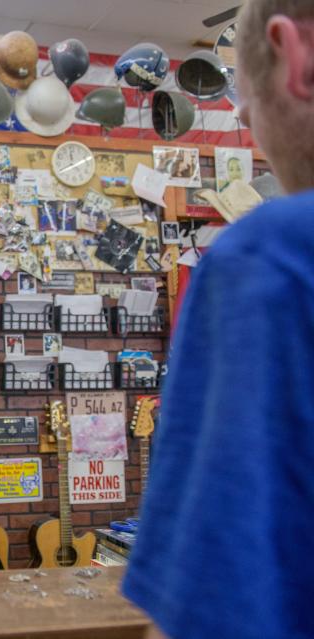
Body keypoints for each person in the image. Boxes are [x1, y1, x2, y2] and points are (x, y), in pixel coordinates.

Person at [122, 2, 314, 638]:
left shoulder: (271, 258)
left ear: (298, 56)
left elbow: (207, 614)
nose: (239, 113)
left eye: (244, 83)